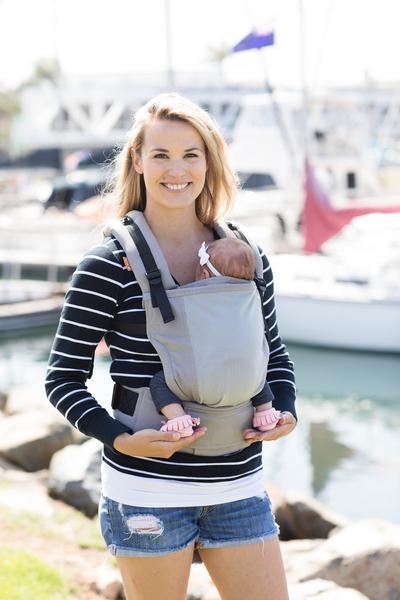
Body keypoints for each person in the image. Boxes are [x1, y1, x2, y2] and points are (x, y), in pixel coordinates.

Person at [45, 93, 297, 600]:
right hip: (147, 490)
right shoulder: (107, 265)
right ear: (137, 161)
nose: (176, 170)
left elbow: (274, 355)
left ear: (209, 162)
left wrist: (286, 410)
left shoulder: (247, 257)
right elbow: (63, 380)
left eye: (190, 155)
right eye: (160, 154)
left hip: (239, 485)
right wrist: (120, 439)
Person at [150, 237, 281, 437]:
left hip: (200, 381)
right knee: (257, 373)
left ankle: (179, 419)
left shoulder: (197, 300)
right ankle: (265, 411)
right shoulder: (250, 297)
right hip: (249, 382)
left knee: (159, 382)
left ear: (205, 274)